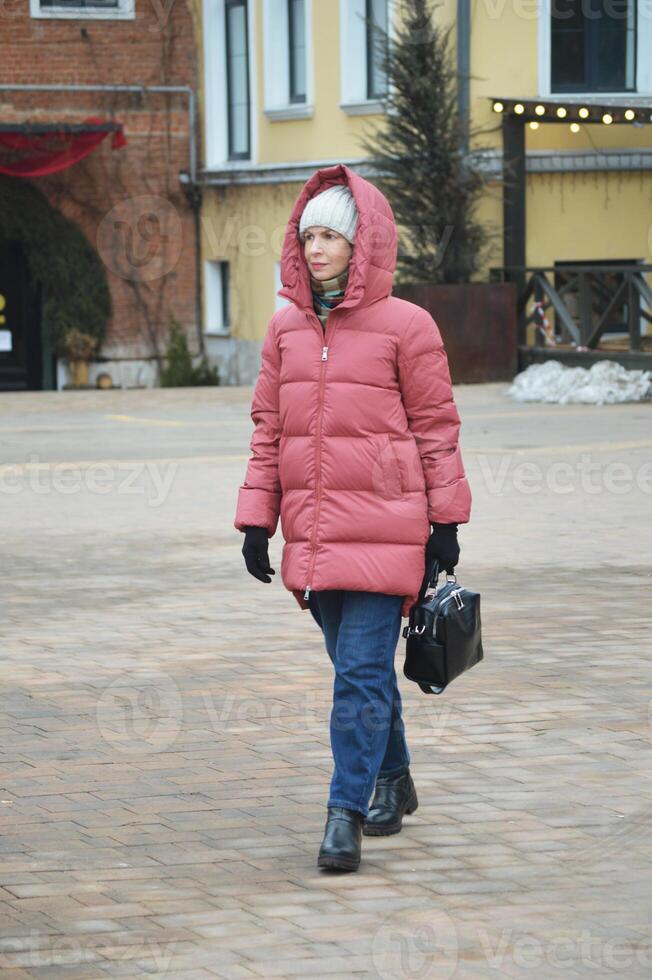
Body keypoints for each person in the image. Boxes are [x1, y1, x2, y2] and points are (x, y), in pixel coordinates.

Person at [234, 164, 471, 873]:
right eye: (307, 236)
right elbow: (268, 430)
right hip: (313, 532)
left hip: (388, 527)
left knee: (359, 676)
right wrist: (256, 519)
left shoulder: (408, 326)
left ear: (362, 242)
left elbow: (436, 427)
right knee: (360, 669)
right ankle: (394, 779)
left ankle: (344, 812)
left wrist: (445, 521)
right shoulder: (286, 331)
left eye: (331, 235)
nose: (316, 249)